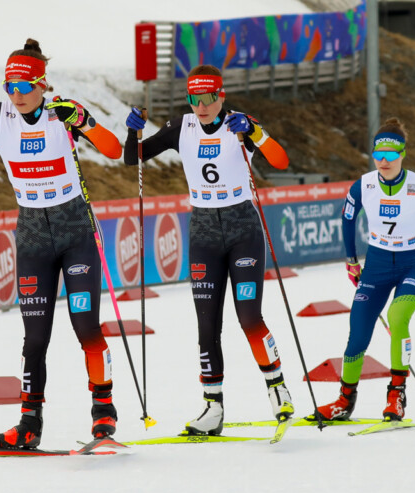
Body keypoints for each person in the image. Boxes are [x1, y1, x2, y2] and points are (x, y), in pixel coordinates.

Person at [0, 39, 123, 446]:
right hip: (33, 235)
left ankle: (103, 413)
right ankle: (29, 423)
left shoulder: (62, 114)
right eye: (9, 87)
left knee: (85, 325)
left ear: (42, 85)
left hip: (74, 232)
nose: (15, 95)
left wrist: (85, 121)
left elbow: (113, 149)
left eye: (23, 87)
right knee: (35, 337)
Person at [122, 64, 294, 435]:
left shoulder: (239, 124)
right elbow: (133, 158)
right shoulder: (179, 127)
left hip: (241, 227)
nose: (201, 106)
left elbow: (281, 160)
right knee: (206, 326)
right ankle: (212, 406)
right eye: (194, 99)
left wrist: (257, 134)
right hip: (203, 231)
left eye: (208, 98)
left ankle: (277, 387)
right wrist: (132, 130)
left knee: (249, 317)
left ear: (221, 97)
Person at [315, 118, 415, 422]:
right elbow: (347, 219)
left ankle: (396, 395)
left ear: (402, 155)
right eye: (378, 155)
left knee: (398, 317)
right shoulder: (364, 184)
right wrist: (351, 260)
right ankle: (345, 400)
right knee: (357, 332)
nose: (383, 162)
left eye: (391, 155)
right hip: (378, 266)